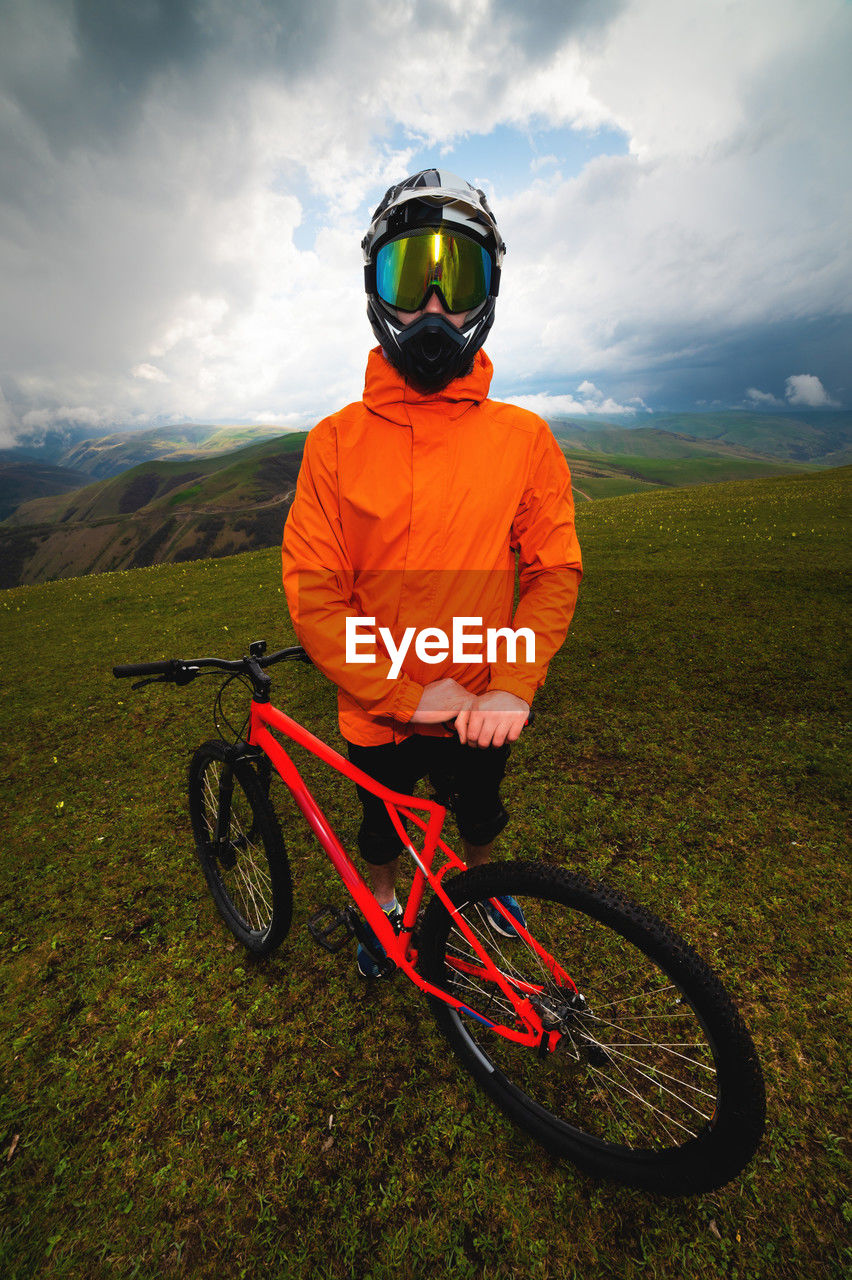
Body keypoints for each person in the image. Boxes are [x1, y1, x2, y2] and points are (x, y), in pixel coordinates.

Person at [282, 169, 582, 976]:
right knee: (380, 829)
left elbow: (553, 571)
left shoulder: (525, 439)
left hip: (486, 702)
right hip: (379, 712)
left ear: (492, 291)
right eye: (412, 277)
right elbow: (315, 596)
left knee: (478, 812)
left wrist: (514, 684)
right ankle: (383, 908)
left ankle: (484, 891)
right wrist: (416, 695)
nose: (436, 308)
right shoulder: (334, 443)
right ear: (375, 288)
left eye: (462, 278)